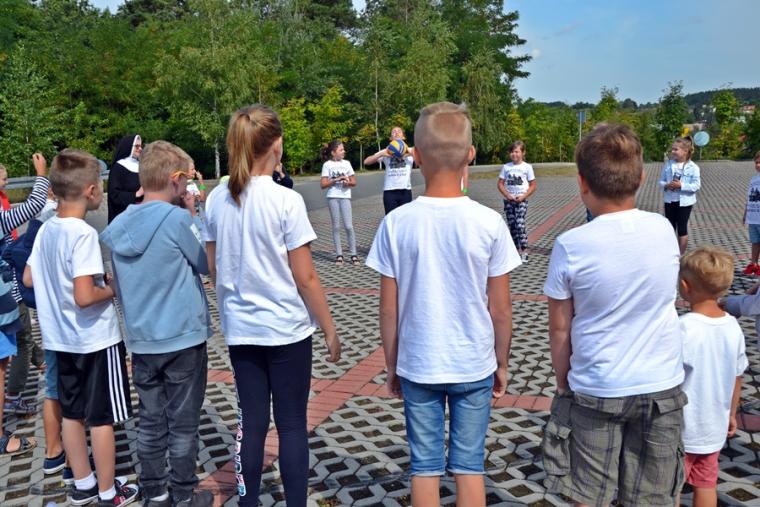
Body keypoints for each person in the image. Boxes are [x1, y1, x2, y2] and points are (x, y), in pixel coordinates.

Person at [366, 102, 519, 507]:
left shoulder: (396, 223)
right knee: (470, 466)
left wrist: (392, 364)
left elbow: (388, 309)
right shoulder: (490, 222)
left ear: (415, 156)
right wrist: (501, 362)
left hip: (418, 364)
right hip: (474, 362)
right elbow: (501, 310)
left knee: (424, 467)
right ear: (471, 154)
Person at [203, 104, 341, 507]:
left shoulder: (216, 198)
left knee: (252, 423)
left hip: (241, 330)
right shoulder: (286, 200)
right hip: (286, 330)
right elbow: (306, 277)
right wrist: (330, 329)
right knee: (292, 424)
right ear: (276, 145)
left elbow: (213, 267)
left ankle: (248, 502)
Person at [543, 124, 686, 507]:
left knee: (589, 495)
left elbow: (560, 328)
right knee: (653, 497)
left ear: (582, 183)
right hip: (661, 386)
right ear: (641, 179)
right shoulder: (663, 229)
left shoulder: (570, 245)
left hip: (596, 386)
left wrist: (563, 381)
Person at [23, 149, 138, 506]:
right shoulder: (84, 234)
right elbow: (85, 296)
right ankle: (108, 491)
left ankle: (84, 483)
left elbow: (28, 278)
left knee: (72, 413)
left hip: (59, 339)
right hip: (95, 340)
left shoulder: (46, 229)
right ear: (90, 191)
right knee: (102, 418)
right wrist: (113, 289)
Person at [102, 141, 213, 507]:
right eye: (186, 180)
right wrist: (193, 214)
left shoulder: (120, 224)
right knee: (182, 423)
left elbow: (119, 284)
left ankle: (156, 493)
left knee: (150, 422)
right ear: (175, 179)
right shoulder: (177, 220)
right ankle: (183, 493)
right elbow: (204, 263)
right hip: (183, 338)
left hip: (142, 340)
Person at [678, 246, 747, 507]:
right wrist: (732, 413)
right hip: (714, 426)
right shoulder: (733, 326)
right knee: (706, 483)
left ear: (685, 286)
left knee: (670, 486)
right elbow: (738, 375)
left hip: (681, 427)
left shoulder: (684, 327)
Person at [0, 154, 49, 417]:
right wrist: (41, 173)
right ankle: (13, 397)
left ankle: (39, 361)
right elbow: (35, 204)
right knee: (21, 341)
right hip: (6, 293)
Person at [659, 135, 701, 254]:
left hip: (684, 202)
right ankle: (671, 253)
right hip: (669, 201)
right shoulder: (668, 164)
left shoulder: (693, 167)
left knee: (682, 229)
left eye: (675, 149)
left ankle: (680, 255)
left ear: (685, 151)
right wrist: (666, 185)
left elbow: (696, 186)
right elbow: (660, 181)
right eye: (672, 149)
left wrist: (681, 185)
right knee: (670, 228)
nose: (672, 151)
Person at [497, 140, 537, 262]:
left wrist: (524, 196)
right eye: (512, 152)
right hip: (509, 201)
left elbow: (533, 185)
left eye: (516, 151)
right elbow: (500, 184)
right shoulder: (506, 167)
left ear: (523, 153)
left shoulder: (527, 167)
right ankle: (514, 251)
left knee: (520, 225)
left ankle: (524, 250)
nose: (514, 154)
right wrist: (507, 195)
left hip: (521, 201)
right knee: (513, 226)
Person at [320, 140, 358, 265]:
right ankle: (339, 255)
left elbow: (354, 182)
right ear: (333, 152)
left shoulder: (347, 163)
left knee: (348, 226)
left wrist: (348, 183)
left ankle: (353, 254)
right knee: (336, 226)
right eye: (341, 150)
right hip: (333, 197)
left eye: (343, 149)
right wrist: (336, 179)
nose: (344, 151)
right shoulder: (327, 165)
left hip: (345, 197)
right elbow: (323, 184)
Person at [364, 126, 414, 214]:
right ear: (391, 138)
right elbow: (366, 162)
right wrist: (381, 154)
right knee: (390, 218)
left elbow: (425, 155)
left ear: (403, 136)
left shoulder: (410, 150)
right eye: (394, 132)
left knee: (405, 219)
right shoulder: (386, 151)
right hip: (390, 191)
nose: (397, 133)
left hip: (405, 190)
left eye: (399, 131)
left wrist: (408, 154)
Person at [107, 134, 143, 223]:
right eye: (137, 146)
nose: (140, 149)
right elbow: (114, 195)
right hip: (122, 216)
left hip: (139, 215)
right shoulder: (118, 167)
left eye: (140, 146)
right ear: (129, 146)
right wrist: (136, 194)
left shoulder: (141, 166)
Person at [742, 151, 760, 275]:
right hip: (753, 217)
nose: (758, 165)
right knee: (755, 242)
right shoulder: (754, 179)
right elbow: (749, 198)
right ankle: (754, 265)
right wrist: (746, 213)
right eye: (756, 162)